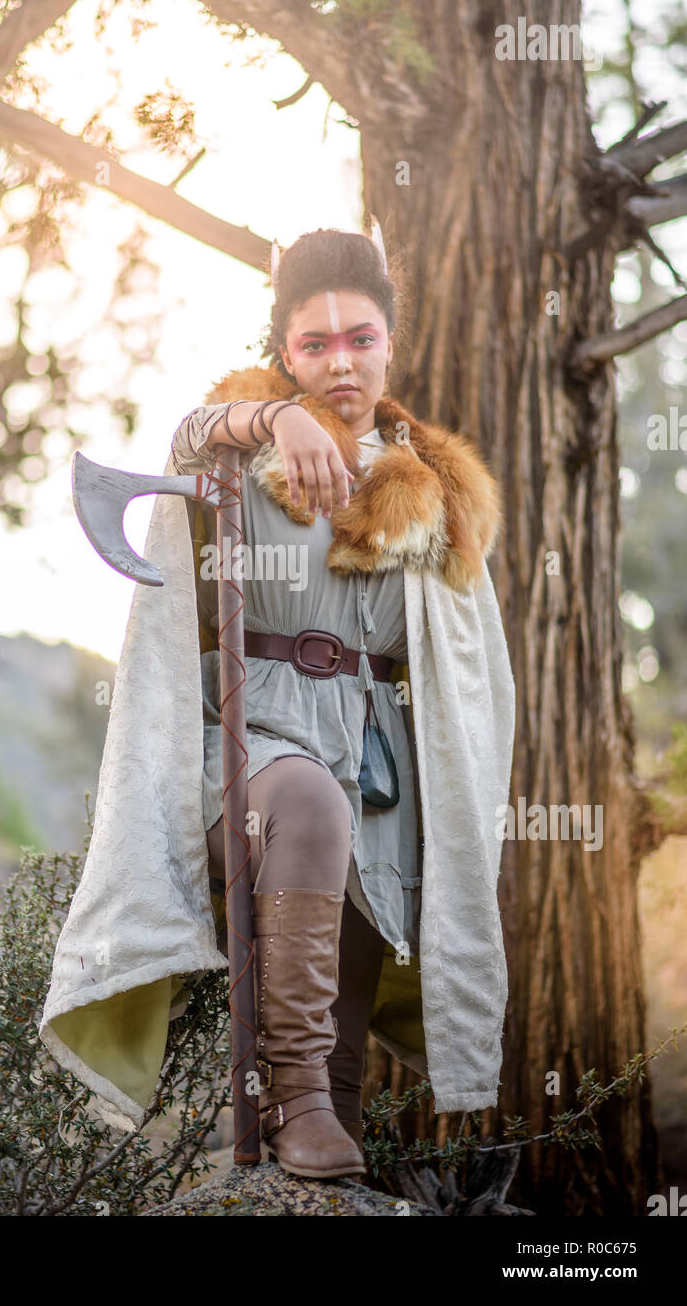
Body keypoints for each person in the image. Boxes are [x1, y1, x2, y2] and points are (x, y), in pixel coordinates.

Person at [39, 226, 516, 1181]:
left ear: (389, 341)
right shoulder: (238, 446)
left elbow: (464, 665)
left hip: (375, 757)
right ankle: (288, 1097)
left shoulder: (430, 491)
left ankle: (312, 1144)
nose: (340, 360)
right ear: (283, 351)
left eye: (361, 338)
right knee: (303, 805)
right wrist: (273, 422)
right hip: (247, 742)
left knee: (341, 1045)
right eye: (314, 343)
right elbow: (187, 436)